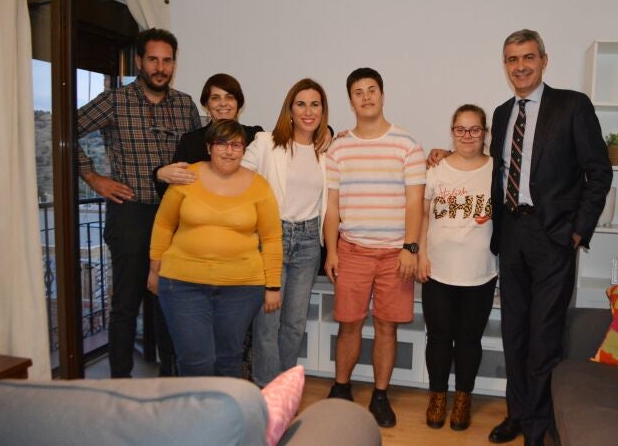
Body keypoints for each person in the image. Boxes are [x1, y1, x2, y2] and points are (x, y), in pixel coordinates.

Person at [486, 30, 612, 445]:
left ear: (543, 59)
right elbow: (497, 170)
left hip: (554, 237)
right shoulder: (502, 113)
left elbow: (599, 172)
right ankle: (517, 415)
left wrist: (578, 231)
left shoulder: (572, 106)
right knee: (514, 332)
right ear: (505, 65)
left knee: (544, 336)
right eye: (512, 59)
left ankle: (538, 427)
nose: (520, 66)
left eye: (527, 57)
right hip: (511, 233)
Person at [77, 28, 201, 378]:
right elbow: (65, 129)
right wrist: (93, 178)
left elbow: (198, 156)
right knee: (126, 303)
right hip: (130, 214)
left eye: (167, 60)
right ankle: (120, 382)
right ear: (139, 62)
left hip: (174, 217)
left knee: (170, 301)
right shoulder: (115, 101)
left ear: (174, 63)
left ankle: (170, 379)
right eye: (153, 60)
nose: (160, 68)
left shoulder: (185, 105)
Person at [323, 67, 426, 428]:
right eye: (358, 92)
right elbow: (332, 206)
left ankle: (380, 395)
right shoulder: (339, 147)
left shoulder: (407, 145)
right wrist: (331, 250)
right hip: (351, 250)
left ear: (382, 95)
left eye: (371, 90)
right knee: (349, 324)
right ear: (350, 100)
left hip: (395, 254)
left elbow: (415, 201)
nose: (366, 97)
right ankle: (341, 388)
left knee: (386, 327)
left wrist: (410, 248)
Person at [147, 119, 283, 377]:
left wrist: (273, 287)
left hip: (242, 289)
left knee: (228, 359)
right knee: (195, 360)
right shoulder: (186, 177)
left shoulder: (260, 186)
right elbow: (163, 225)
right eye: (221, 143)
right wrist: (155, 269)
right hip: (182, 284)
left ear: (243, 150)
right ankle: (196, 405)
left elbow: (272, 238)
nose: (229, 151)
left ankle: (225, 405)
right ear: (209, 147)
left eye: (236, 145)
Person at [243, 78, 331, 387]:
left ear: (323, 111)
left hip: (308, 243)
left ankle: (284, 389)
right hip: (272, 238)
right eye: (301, 104)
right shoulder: (266, 143)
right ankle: (266, 389)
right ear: (289, 110)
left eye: (315, 104)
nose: (308, 111)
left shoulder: (327, 151)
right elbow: (237, 177)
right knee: (267, 322)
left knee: (294, 323)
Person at [417, 104, 498, 432]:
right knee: (438, 338)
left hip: (480, 271)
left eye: (474, 129)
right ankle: (437, 396)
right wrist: (420, 255)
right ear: (452, 132)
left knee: (469, 339)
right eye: (460, 129)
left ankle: (463, 397)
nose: (467, 135)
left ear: (485, 133)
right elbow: (423, 216)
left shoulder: (497, 170)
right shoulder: (436, 168)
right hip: (438, 269)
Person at [153, 73, 263, 195]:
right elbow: (171, 190)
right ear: (206, 105)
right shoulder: (191, 141)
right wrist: (159, 174)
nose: (223, 103)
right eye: (215, 98)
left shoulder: (255, 137)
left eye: (229, 97)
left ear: (238, 103)